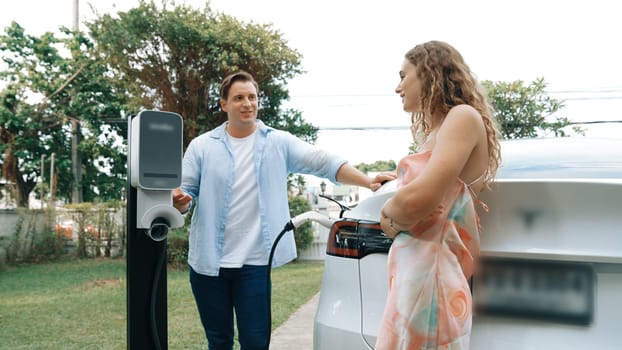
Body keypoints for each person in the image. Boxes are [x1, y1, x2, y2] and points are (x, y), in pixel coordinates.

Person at [172, 70, 387, 350]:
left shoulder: (278, 142)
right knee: (219, 341)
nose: (247, 103)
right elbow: (186, 191)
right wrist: (181, 201)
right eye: (238, 98)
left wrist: (368, 181)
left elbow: (323, 162)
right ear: (224, 104)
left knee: (256, 342)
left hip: (255, 264)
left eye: (252, 97)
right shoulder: (202, 146)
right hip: (208, 264)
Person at [375, 41, 502, 349]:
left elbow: (422, 200)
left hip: (432, 279)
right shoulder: (438, 131)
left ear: (430, 72)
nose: (397, 87)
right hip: (416, 279)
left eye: (404, 75)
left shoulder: (462, 116)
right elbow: (428, 188)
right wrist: (399, 184)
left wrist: (387, 214)